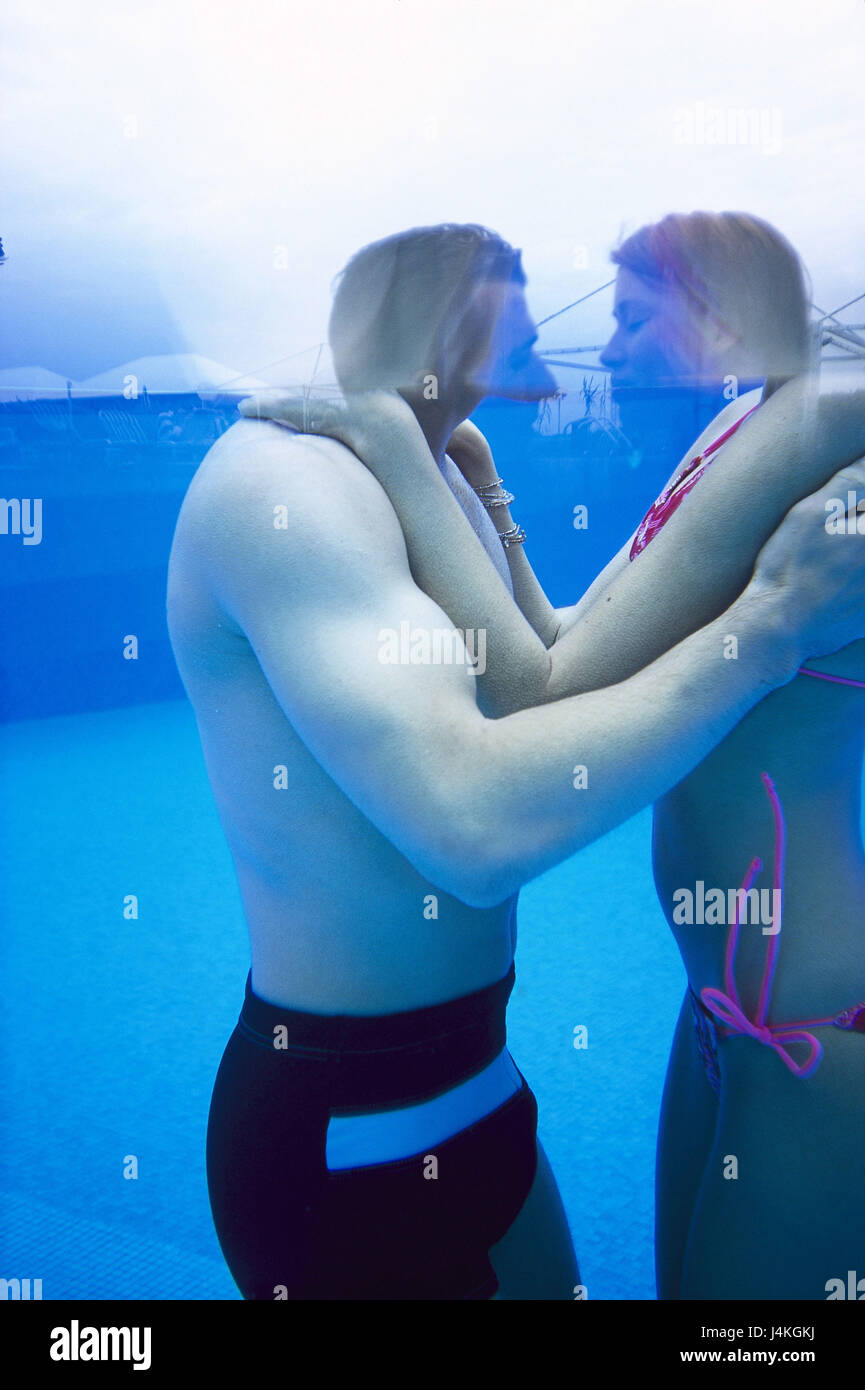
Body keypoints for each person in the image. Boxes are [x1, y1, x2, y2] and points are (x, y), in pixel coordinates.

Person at [171, 222, 863, 1301]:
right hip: (380, 1110)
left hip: (735, 1034)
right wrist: (772, 623)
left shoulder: (810, 412)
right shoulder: (311, 484)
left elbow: (551, 674)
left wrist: (431, 464)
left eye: (632, 313)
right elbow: (503, 760)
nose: (605, 343)